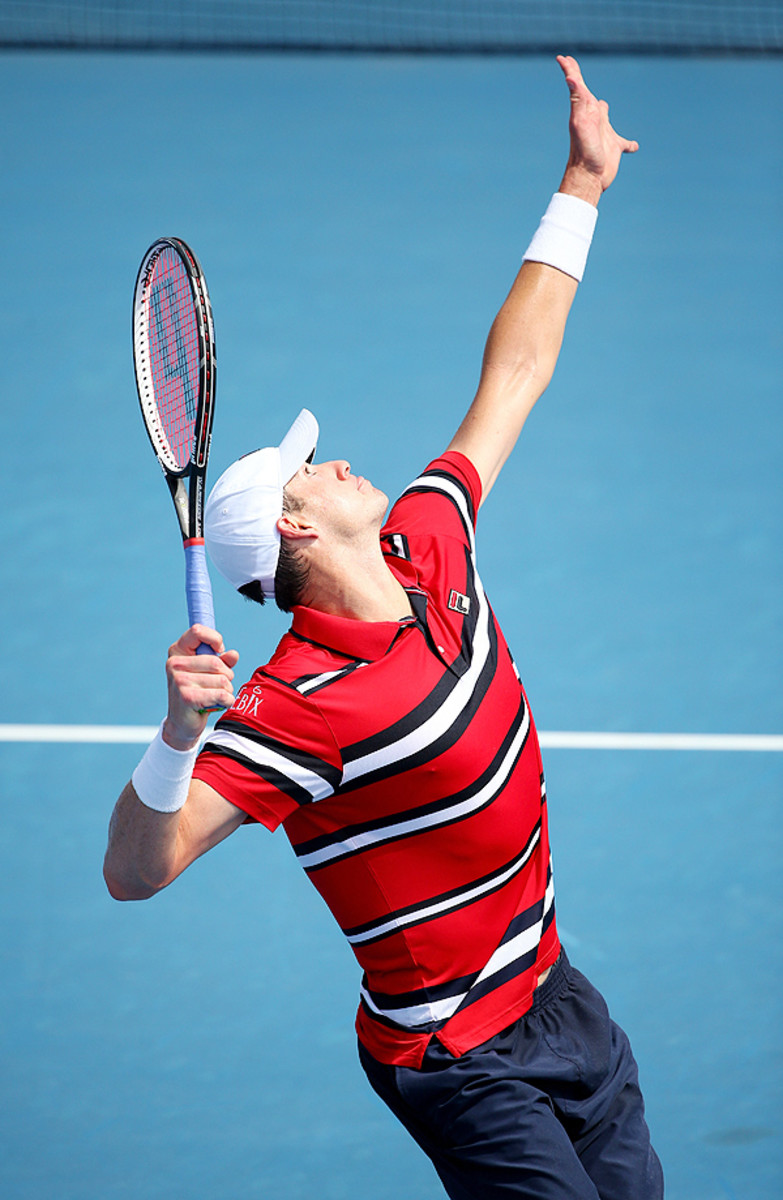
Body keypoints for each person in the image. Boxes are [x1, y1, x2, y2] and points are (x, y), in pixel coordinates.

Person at [104, 56, 662, 1199]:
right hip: (458, 1060)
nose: (342, 458)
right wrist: (176, 734)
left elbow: (517, 371)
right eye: (313, 469)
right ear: (298, 531)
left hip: (560, 996)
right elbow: (134, 871)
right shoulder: (295, 710)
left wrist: (582, 184)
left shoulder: (428, 540)